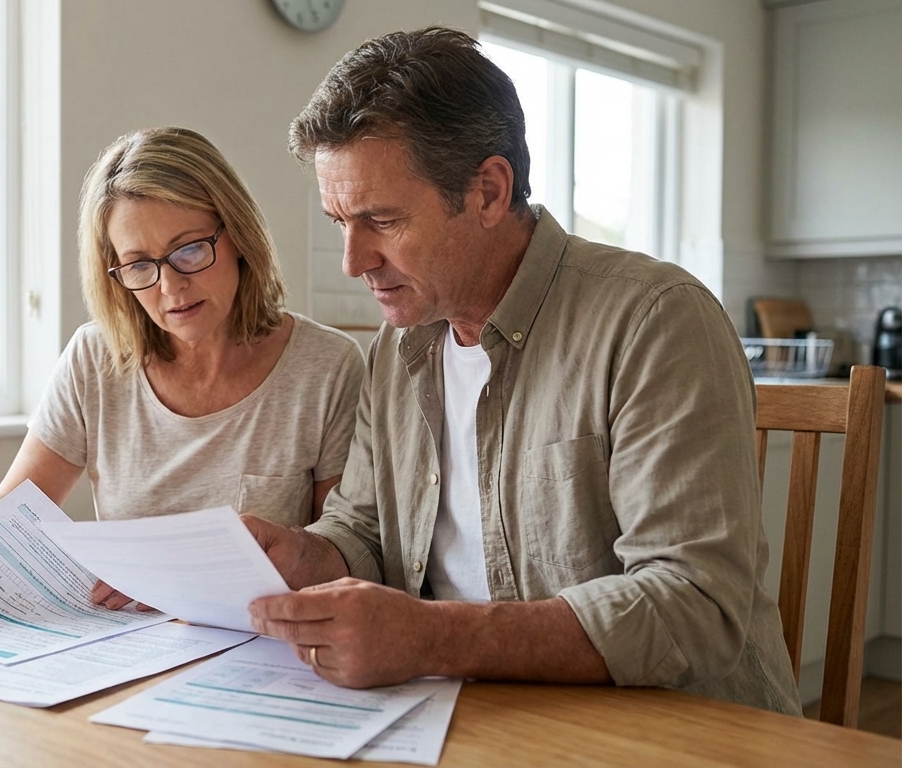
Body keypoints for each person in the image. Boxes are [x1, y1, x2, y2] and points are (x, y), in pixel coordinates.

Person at [242, 26, 801, 715]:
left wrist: (431, 638)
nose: (354, 261)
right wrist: (299, 556)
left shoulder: (656, 319)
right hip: (476, 714)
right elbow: (363, 533)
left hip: (671, 730)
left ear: (488, 191)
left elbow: (694, 604)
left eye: (381, 220)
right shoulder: (399, 347)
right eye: (340, 222)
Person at [0, 126, 366, 609]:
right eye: (140, 265)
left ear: (237, 235)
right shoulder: (95, 358)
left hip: (260, 634)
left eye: (189, 250)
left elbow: (339, 555)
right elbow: (10, 509)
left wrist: (190, 577)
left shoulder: (326, 367)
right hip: (126, 639)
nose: (170, 287)